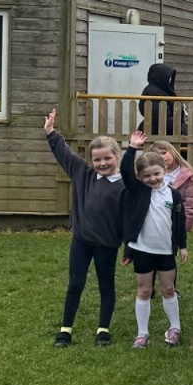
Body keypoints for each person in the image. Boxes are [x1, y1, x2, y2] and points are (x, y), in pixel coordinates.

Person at [44, 109, 124, 348]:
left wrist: (129, 245)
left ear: (117, 156)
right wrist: (51, 132)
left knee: (106, 285)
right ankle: (65, 330)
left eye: (107, 158)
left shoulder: (125, 185)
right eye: (97, 159)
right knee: (75, 283)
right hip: (81, 241)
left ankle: (103, 330)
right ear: (91, 160)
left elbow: (132, 217)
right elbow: (65, 154)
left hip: (107, 245)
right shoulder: (83, 173)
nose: (102, 163)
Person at [120, 131, 188, 346]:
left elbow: (179, 222)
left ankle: (175, 328)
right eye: (147, 176)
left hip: (166, 251)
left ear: (164, 170)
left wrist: (182, 246)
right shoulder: (138, 191)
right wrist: (132, 148)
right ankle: (142, 334)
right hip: (143, 250)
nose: (153, 179)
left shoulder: (174, 195)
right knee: (145, 290)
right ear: (140, 177)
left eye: (157, 174)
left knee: (168, 289)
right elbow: (125, 171)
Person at [154, 142, 193, 234]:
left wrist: (183, 228)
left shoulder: (187, 176)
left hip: (175, 225)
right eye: (157, 156)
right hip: (155, 225)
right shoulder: (153, 176)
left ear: (172, 151)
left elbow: (191, 205)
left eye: (164, 153)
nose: (162, 157)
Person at [140, 62, 187, 136]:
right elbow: (162, 119)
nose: (170, 79)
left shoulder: (162, 90)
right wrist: (182, 129)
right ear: (161, 77)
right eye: (168, 77)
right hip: (157, 135)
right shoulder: (154, 93)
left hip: (161, 133)